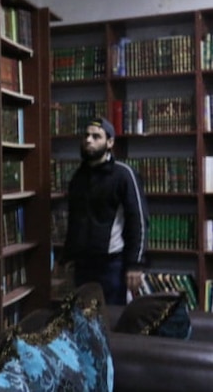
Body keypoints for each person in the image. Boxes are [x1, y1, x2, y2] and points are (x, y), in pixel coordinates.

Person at [61, 117, 149, 305]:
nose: (88, 140)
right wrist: (68, 259)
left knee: (111, 322)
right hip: (82, 266)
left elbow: (138, 220)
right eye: (86, 136)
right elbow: (73, 220)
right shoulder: (77, 177)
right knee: (83, 321)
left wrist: (135, 264)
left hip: (111, 266)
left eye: (96, 136)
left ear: (110, 143)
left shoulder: (124, 174)